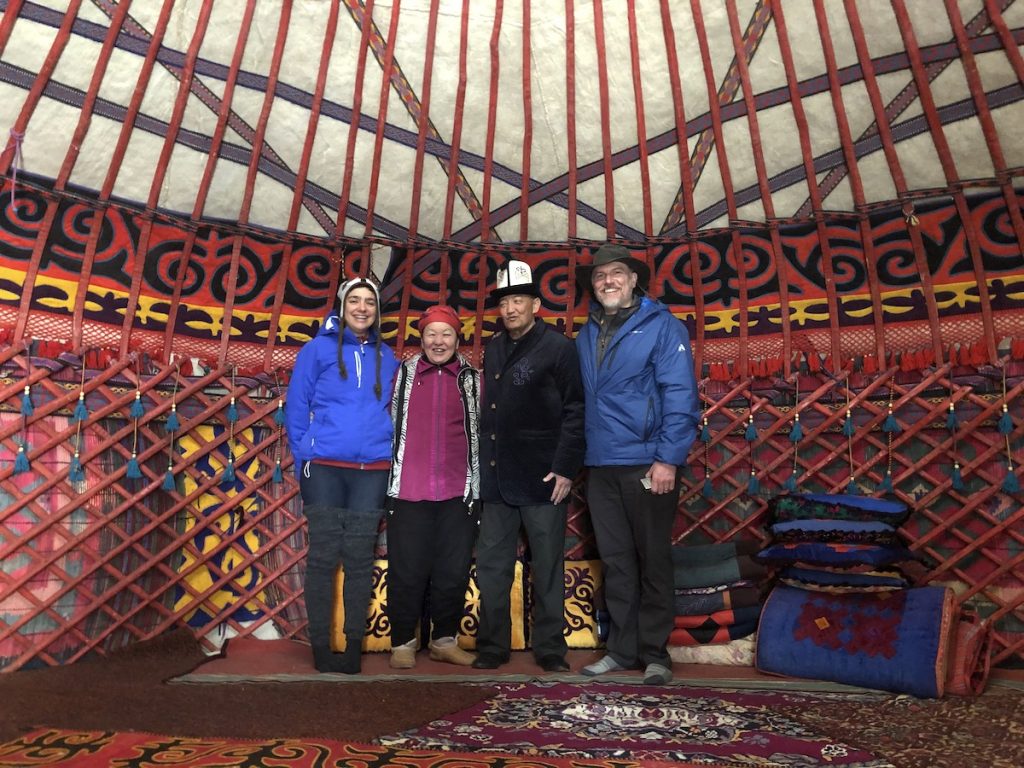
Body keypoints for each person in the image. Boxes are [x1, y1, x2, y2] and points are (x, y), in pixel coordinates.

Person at [575, 243, 700, 685]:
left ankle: (655, 654)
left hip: (648, 462)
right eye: (599, 276)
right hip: (600, 463)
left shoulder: (662, 327)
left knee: (652, 559)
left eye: (615, 274)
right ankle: (621, 650)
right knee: (616, 561)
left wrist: (668, 458)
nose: (607, 281)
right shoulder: (586, 333)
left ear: (632, 280)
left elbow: (680, 395)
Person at [473, 259, 586, 673]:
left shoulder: (559, 348)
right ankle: (492, 646)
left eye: (518, 300)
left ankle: (551, 649)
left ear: (536, 303)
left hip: (544, 478)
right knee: (493, 566)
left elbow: (576, 410)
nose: (510, 309)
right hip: (497, 478)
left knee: (548, 565)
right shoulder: (494, 346)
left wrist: (566, 468)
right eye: (504, 303)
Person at [284, 276, 399, 674]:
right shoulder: (316, 351)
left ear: (377, 309)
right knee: (323, 557)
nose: (363, 308)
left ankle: (351, 646)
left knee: (359, 558)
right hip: (325, 467)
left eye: (370, 302)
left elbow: (397, 413)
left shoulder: (389, 357)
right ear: (342, 305)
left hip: (373, 469)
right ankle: (320, 647)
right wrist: (305, 453)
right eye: (355, 300)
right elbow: (296, 405)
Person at [384, 305, 481, 669]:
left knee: (452, 570)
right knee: (407, 569)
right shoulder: (402, 375)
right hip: (408, 488)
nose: (438, 341)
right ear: (421, 338)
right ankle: (403, 643)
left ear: (458, 339)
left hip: (459, 490)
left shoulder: (472, 379)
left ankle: (444, 640)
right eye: (431, 334)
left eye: (447, 334)